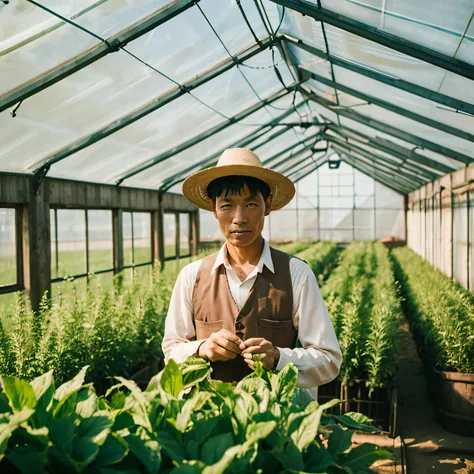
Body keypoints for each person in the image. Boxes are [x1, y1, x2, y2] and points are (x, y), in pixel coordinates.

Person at [162, 148, 341, 397]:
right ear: (214, 209)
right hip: (208, 422)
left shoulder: (296, 274)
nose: (239, 218)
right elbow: (171, 351)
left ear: (267, 205)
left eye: (250, 204)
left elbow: (328, 359)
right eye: (227, 205)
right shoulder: (192, 276)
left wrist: (279, 357)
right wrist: (202, 348)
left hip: (277, 421)